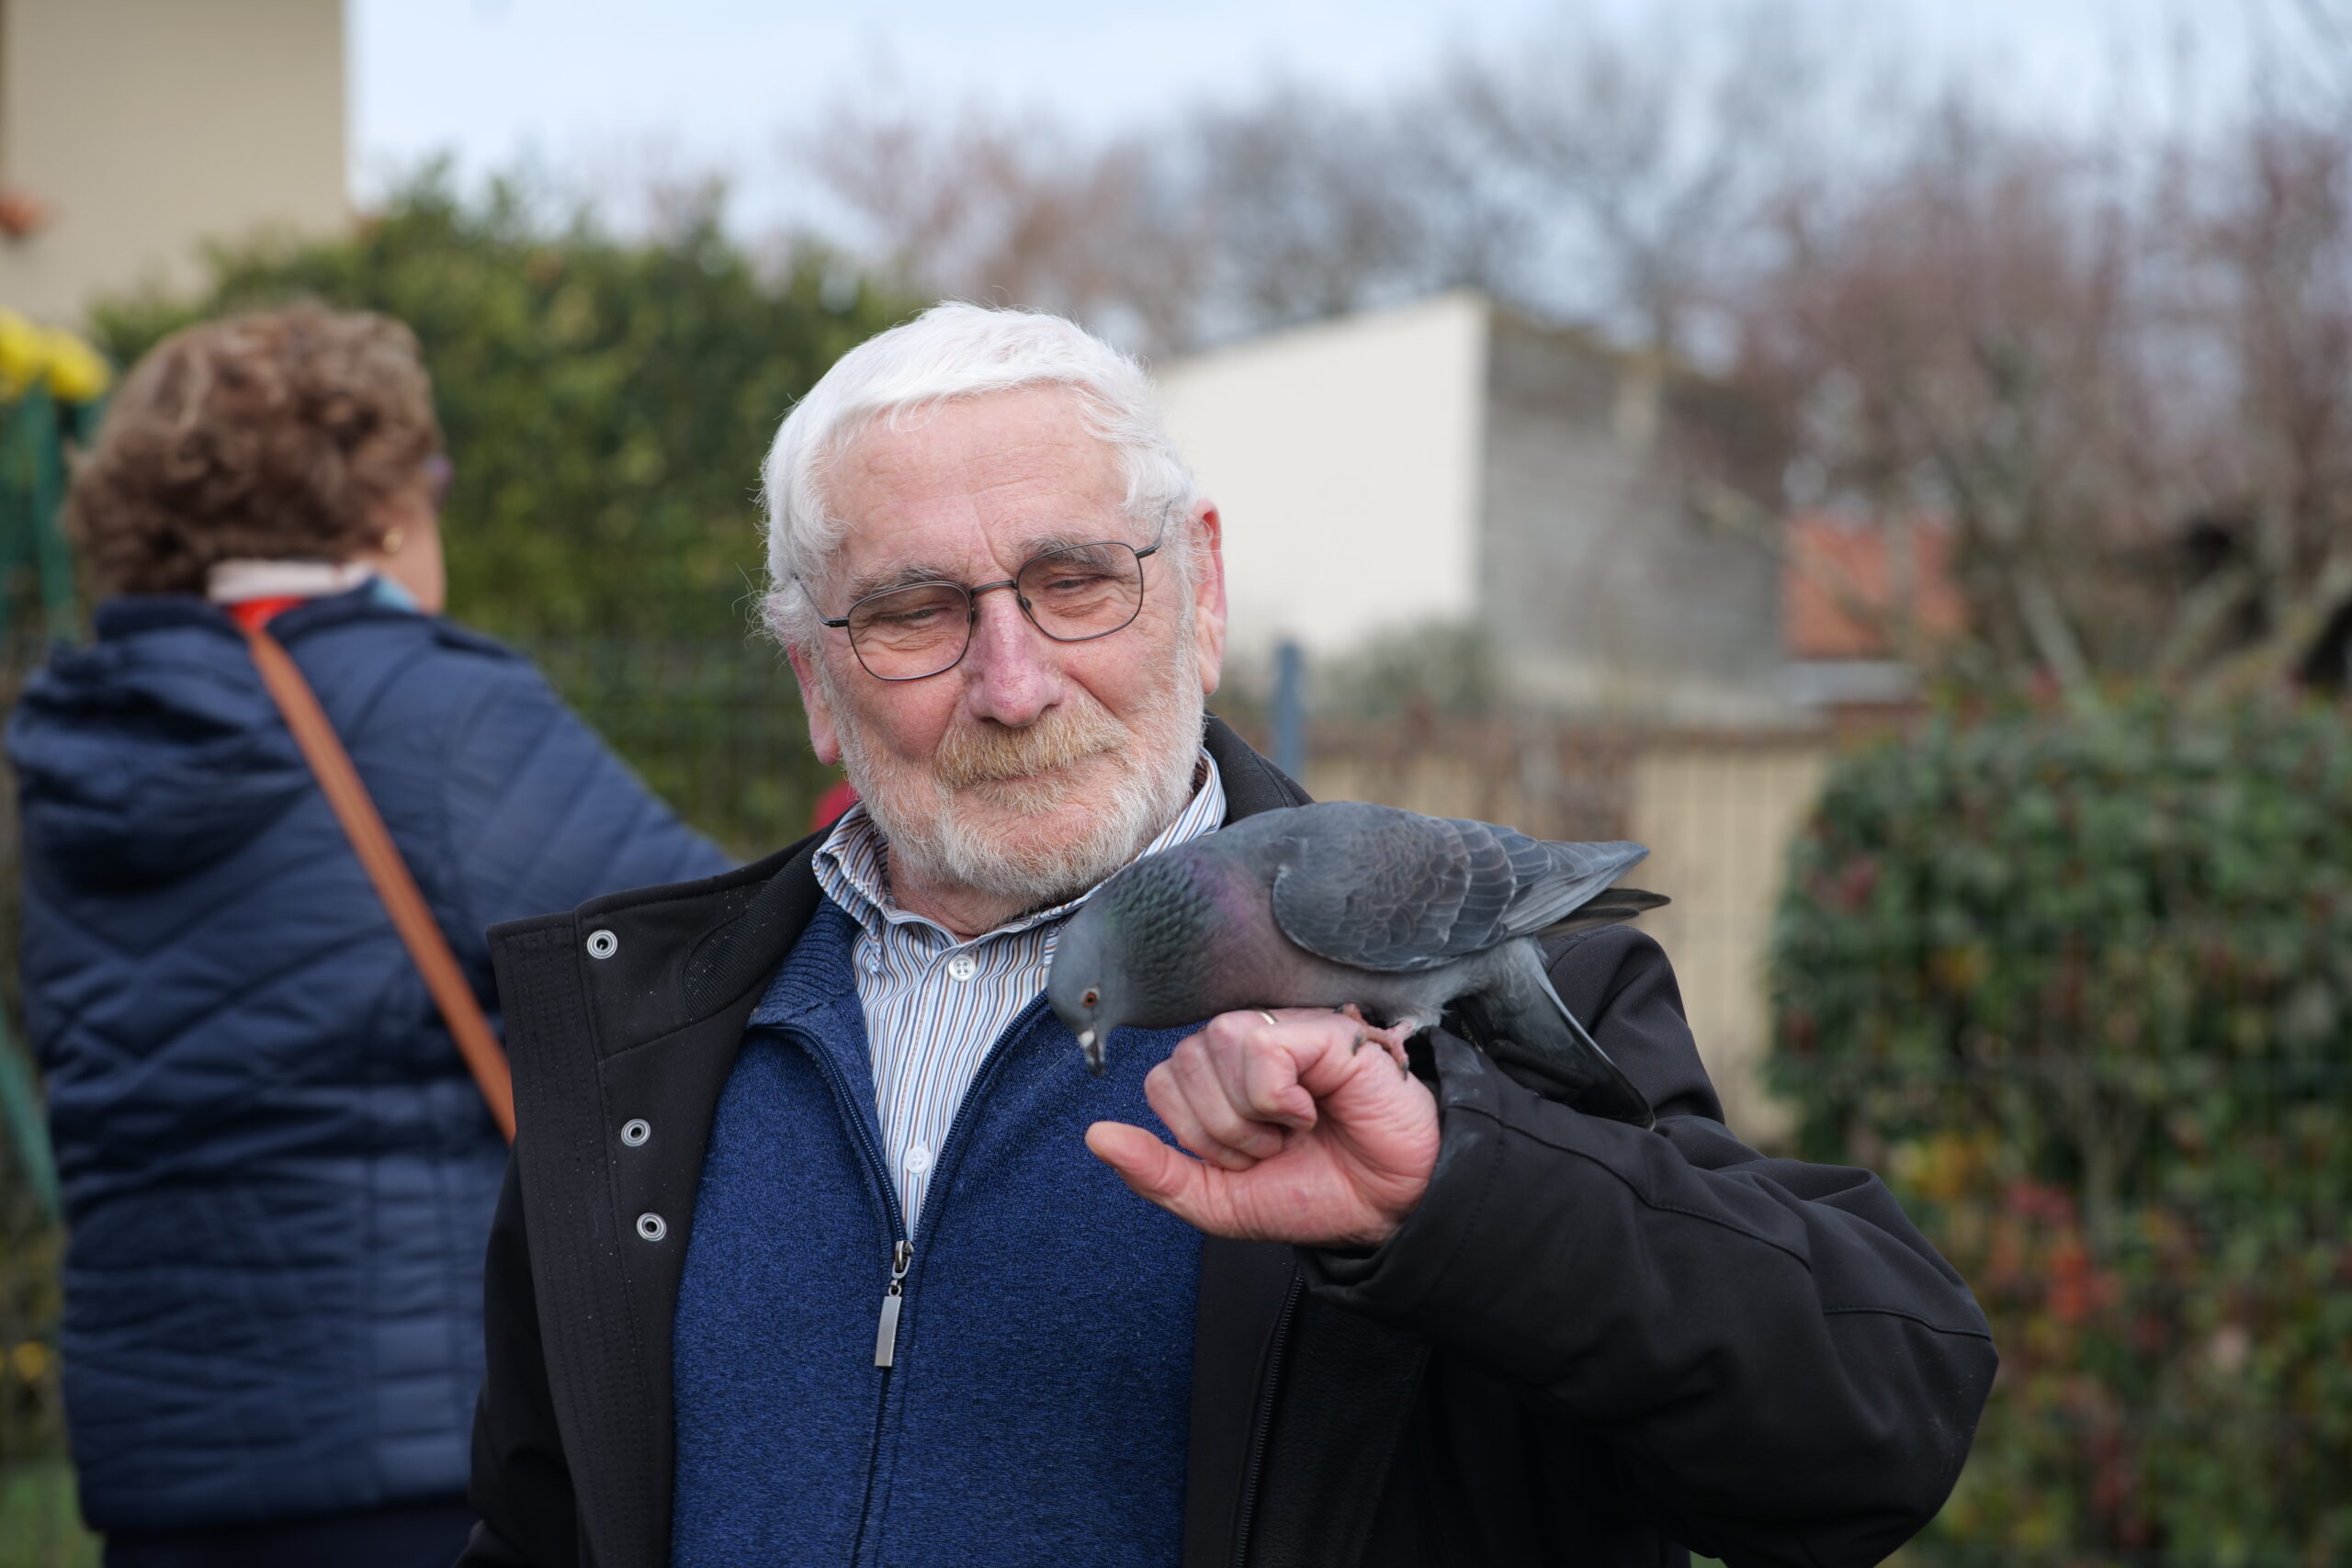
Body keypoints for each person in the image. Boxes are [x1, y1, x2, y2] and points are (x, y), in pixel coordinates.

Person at [459, 303, 1996, 1568]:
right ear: (814, 677)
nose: (1013, 684)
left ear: (1199, 589)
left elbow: (1879, 1429)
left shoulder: (1485, 1021)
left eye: (1073, 582)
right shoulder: (645, 1042)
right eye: (915, 613)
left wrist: (1456, 1195)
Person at [7, 304, 729, 1568]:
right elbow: (721, 955)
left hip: (163, 1471)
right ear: (389, 507)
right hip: (428, 1455)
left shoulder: (76, 747)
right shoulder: (436, 713)